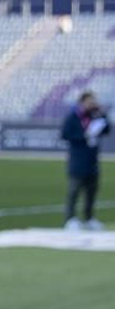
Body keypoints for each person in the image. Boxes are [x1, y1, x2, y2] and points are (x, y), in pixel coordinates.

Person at [62, 89, 106, 231]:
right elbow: (65, 134)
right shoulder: (73, 117)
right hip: (78, 160)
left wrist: (102, 115)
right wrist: (84, 136)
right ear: (82, 102)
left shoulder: (95, 116)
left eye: (93, 102)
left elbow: (107, 129)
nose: (92, 104)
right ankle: (70, 219)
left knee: (91, 192)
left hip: (92, 160)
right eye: (89, 102)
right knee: (74, 191)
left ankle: (89, 218)